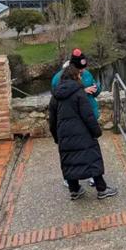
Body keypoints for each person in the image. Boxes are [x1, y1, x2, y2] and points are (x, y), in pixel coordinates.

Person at [48, 64, 117, 200]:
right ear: (74, 76)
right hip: (83, 133)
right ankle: (101, 189)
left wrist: (57, 137)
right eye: (79, 75)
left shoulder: (55, 96)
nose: (81, 77)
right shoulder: (79, 93)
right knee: (92, 159)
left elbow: (52, 120)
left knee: (69, 162)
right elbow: (88, 115)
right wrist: (96, 132)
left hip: (64, 136)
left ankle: (74, 190)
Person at [52, 48, 100, 188]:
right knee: (73, 151)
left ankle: (92, 176)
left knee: (89, 150)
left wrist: (97, 88)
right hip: (73, 119)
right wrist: (82, 91)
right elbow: (57, 96)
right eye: (81, 70)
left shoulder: (86, 74)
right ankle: (71, 180)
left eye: (84, 69)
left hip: (88, 115)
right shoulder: (58, 78)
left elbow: (96, 88)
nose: (83, 72)